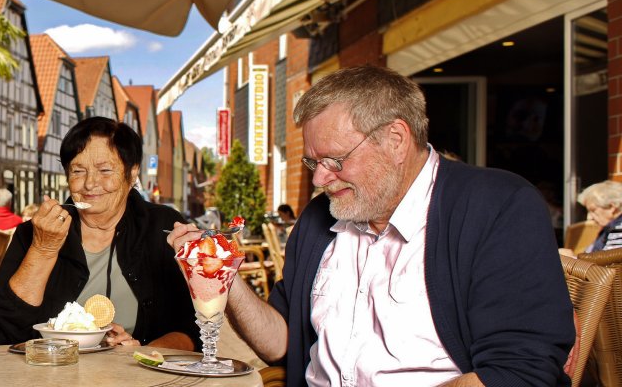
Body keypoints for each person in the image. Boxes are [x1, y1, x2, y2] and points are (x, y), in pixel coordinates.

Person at [169, 66, 573, 386]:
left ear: (397, 140)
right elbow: (281, 344)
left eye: (334, 160)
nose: (319, 180)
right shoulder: (319, 219)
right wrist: (224, 273)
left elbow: (518, 372)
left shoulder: (498, 207)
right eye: (313, 162)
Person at [0, 117, 198, 350]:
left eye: (105, 170)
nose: (90, 183)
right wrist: (43, 249)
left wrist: (142, 355)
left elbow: (192, 329)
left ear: (132, 173)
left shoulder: (162, 228)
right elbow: (0, 333)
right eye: (78, 171)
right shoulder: (35, 232)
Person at [577, 180, 622, 253]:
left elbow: (610, 261)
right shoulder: (610, 228)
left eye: (593, 210)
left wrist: (572, 258)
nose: (589, 217)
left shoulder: (618, 229)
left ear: (611, 207)